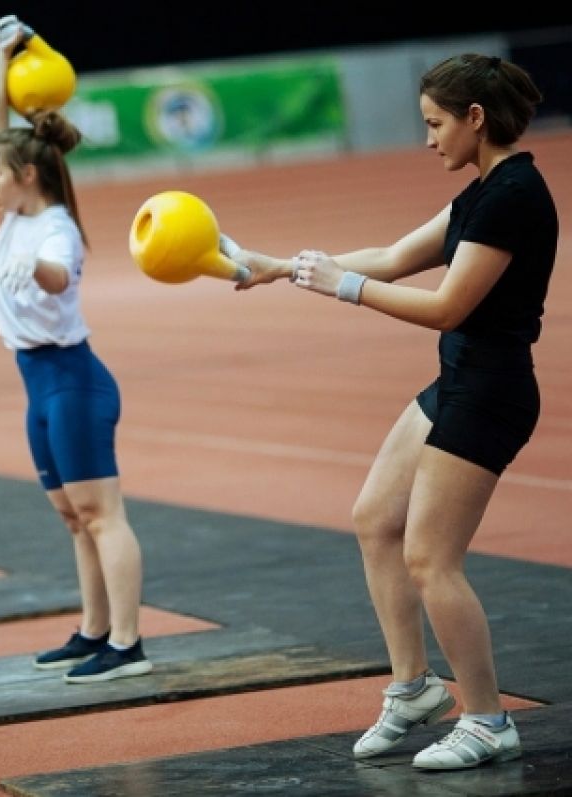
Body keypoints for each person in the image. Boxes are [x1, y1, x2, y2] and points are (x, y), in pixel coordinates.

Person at [235, 53, 555, 770]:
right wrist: (283, 266)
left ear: (477, 118)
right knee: (375, 517)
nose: (429, 138)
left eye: (436, 123)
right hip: (458, 380)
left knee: (431, 558)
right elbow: (390, 256)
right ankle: (413, 687)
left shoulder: (515, 195)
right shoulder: (481, 191)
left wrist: (342, 287)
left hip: (491, 392)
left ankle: (487, 718)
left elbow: (448, 304)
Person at [0, 22, 151, 683]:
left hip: (74, 384)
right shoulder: (19, 213)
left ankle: (129, 645)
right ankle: (93, 629)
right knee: (74, 517)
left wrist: (38, 272)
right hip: (39, 385)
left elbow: (58, 271)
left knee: (103, 516)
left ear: (26, 176)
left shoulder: (52, 228)